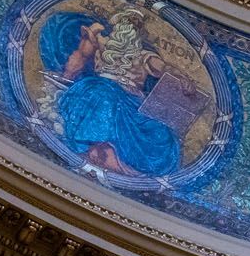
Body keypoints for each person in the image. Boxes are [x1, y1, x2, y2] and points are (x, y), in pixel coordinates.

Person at [36, 10, 183, 177]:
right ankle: (96, 149)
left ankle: (114, 159)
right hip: (100, 90)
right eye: (124, 23)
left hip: (131, 102)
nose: (128, 28)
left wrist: (180, 78)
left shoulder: (143, 56)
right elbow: (80, 57)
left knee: (161, 133)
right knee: (104, 97)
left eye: (134, 26)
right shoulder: (102, 43)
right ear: (117, 26)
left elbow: (163, 68)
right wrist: (69, 73)